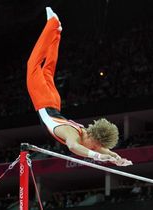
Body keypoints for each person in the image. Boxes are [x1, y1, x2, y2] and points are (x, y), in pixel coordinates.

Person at [27, 7, 132, 166]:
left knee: (47, 70)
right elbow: (73, 147)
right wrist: (97, 156)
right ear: (94, 139)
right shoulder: (73, 134)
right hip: (45, 102)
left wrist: (116, 159)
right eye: (97, 147)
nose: (97, 149)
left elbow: (101, 149)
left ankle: (56, 31)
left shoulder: (85, 134)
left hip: (53, 103)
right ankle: (52, 24)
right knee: (33, 65)